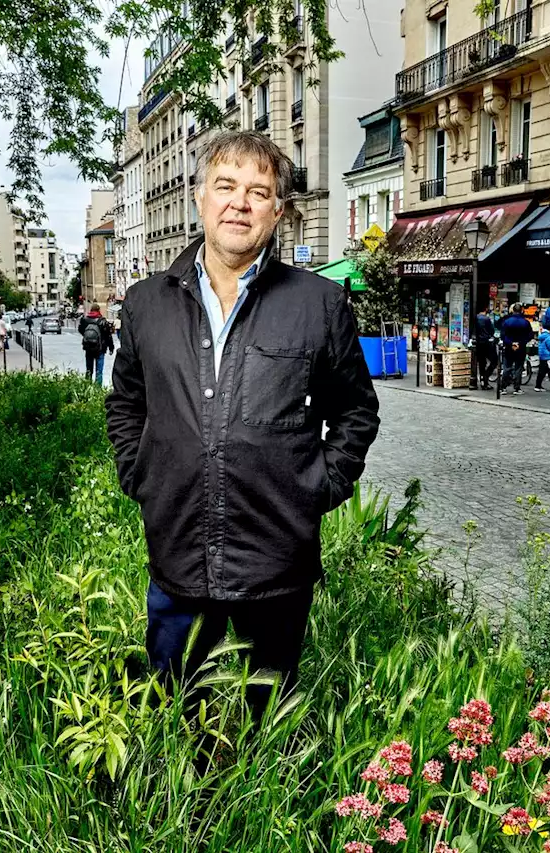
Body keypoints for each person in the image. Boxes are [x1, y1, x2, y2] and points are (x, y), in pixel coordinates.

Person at [106, 131, 380, 717]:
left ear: (277, 211)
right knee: (170, 705)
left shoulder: (318, 304)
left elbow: (356, 411)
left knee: (268, 714)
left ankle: (257, 801)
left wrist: (319, 488)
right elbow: (126, 402)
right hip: (177, 548)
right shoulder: (147, 304)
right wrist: (141, 476)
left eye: (259, 192)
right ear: (200, 198)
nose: (240, 202)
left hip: (276, 558)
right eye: (226, 186)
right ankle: (180, 807)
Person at [499, 303, 534, 395]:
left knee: (507, 367)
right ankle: (517, 387)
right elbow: (530, 335)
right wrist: (520, 343)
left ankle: (503, 387)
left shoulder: (507, 321)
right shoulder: (526, 322)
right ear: (521, 310)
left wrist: (511, 343)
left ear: (513, 310)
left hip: (509, 347)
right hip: (521, 347)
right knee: (518, 367)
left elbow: (503, 335)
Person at [79, 303, 114, 384]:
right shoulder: (102, 321)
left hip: (88, 347)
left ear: (91, 310)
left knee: (89, 370)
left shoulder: (85, 320)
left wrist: (87, 336)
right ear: (99, 310)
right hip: (100, 349)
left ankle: (87, 386)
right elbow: (108, 336)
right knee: (99, 371)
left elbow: (80, 329)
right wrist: (111, 347)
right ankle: (97, 390)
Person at [473, 309, 497, 391]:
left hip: (478, 343)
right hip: (486, 343)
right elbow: (492, 330)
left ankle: (483, 380)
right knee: (494, 361)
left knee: (482, 363)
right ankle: (485, 377)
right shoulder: (486, 319)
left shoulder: (475, 318)